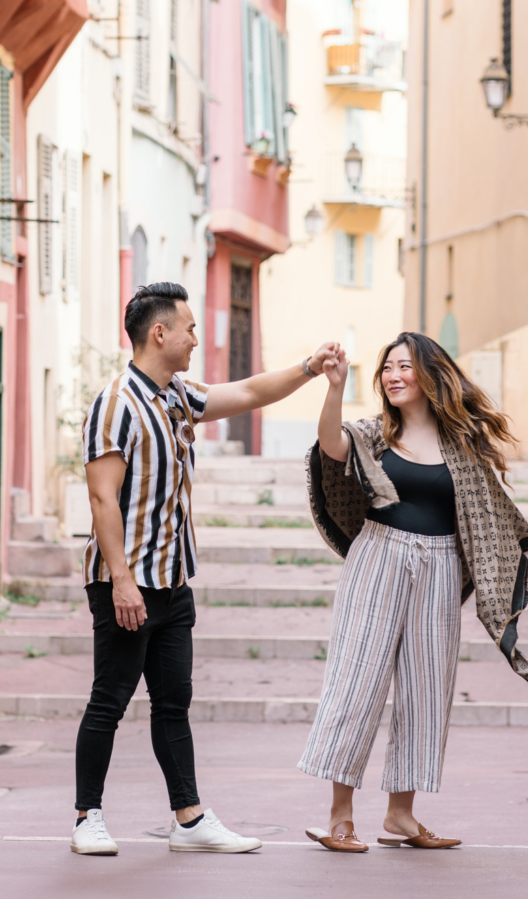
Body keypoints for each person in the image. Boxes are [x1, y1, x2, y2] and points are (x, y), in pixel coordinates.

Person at [71, 280, 341, 857]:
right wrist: (120, 580)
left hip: (172, 582)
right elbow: (102, 499)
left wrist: (309, 367)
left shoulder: (176, 396)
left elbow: (245, 391)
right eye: (189, 329)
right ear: (158, 332)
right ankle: (87, 816)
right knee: (109, 700)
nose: (197, 338)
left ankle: (189, 820)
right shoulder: (117, 401)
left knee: (174, 704)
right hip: (127, 583)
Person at [299, 332, 528, 854]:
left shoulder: (463, 446)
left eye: (404, 366)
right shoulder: (373, 435)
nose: (393, 375)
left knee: (426, 689)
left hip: (440, 565)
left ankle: (401, 815)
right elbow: (330, 447)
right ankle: (340, 817)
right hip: (379, 556)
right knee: (357, 679)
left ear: (429, 374)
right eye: (387, 368)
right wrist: (334, 387)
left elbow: (487, 511)